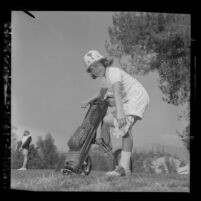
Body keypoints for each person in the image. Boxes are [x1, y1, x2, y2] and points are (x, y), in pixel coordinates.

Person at [83, 50, 150, 176]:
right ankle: (113, 152)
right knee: (108, 120)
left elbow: (118, 93)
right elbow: (101, 95)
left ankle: (123, 168)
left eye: (97, 65)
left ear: (103, 62)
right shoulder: (105, 78)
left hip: (136, 98)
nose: (96, 70)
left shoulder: (112, 72)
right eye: (92, 69)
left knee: (123, 127)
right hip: (129, 100)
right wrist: (88, 101)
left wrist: (120, 114)